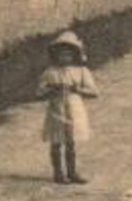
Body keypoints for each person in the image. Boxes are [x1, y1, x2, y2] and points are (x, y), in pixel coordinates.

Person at [39, 30, 100, 185]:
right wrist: (51, 90)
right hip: (56, 110)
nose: (64, 57)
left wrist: (77, 90)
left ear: (74, 55)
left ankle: (72, 172)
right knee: (56, 142)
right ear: (55, 55)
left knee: (71, 142)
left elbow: (94, 92)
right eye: (61, 54)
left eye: (68, 54)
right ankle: (58, 173)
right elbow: (39, 93)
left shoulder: (81, 71)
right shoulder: (50, 72)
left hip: (74, 109)